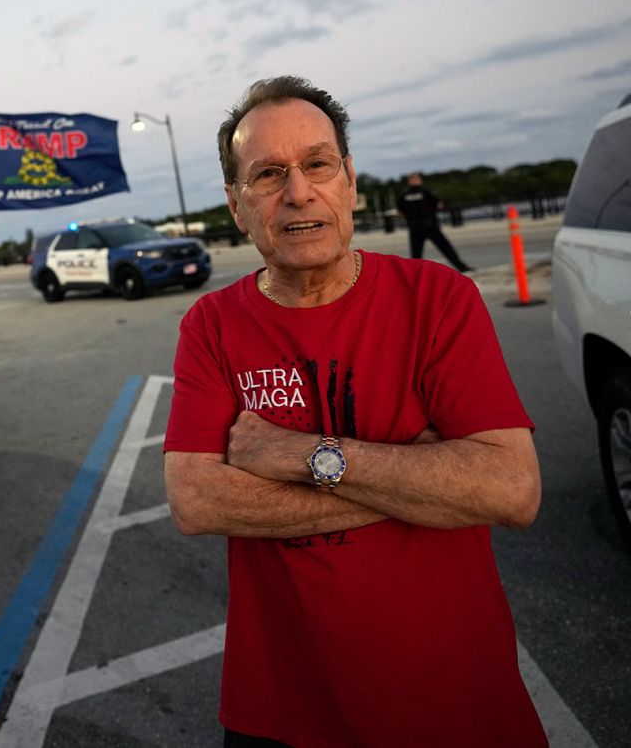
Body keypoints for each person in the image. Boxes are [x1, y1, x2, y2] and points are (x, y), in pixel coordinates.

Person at [163, 76, 544, 747]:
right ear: (236, 206)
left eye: (317, 163)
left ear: (350, 183)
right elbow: (196, 499)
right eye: (268, 174)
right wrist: (419, 477)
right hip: (280, 712)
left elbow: (510, 487)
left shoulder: (437, 299)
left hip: (456, 700)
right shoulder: (211, 326)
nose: (298, 191)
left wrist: (293, 454)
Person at [396, 171, 473, 271]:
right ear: (418, 180)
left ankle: (414, 276)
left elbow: (400, 212)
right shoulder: (425, 191)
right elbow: (438, 205)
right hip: (430, 225)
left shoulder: (404, 195)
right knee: (446, 248)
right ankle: (461, 267)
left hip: (415, 226)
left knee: (416, 254)